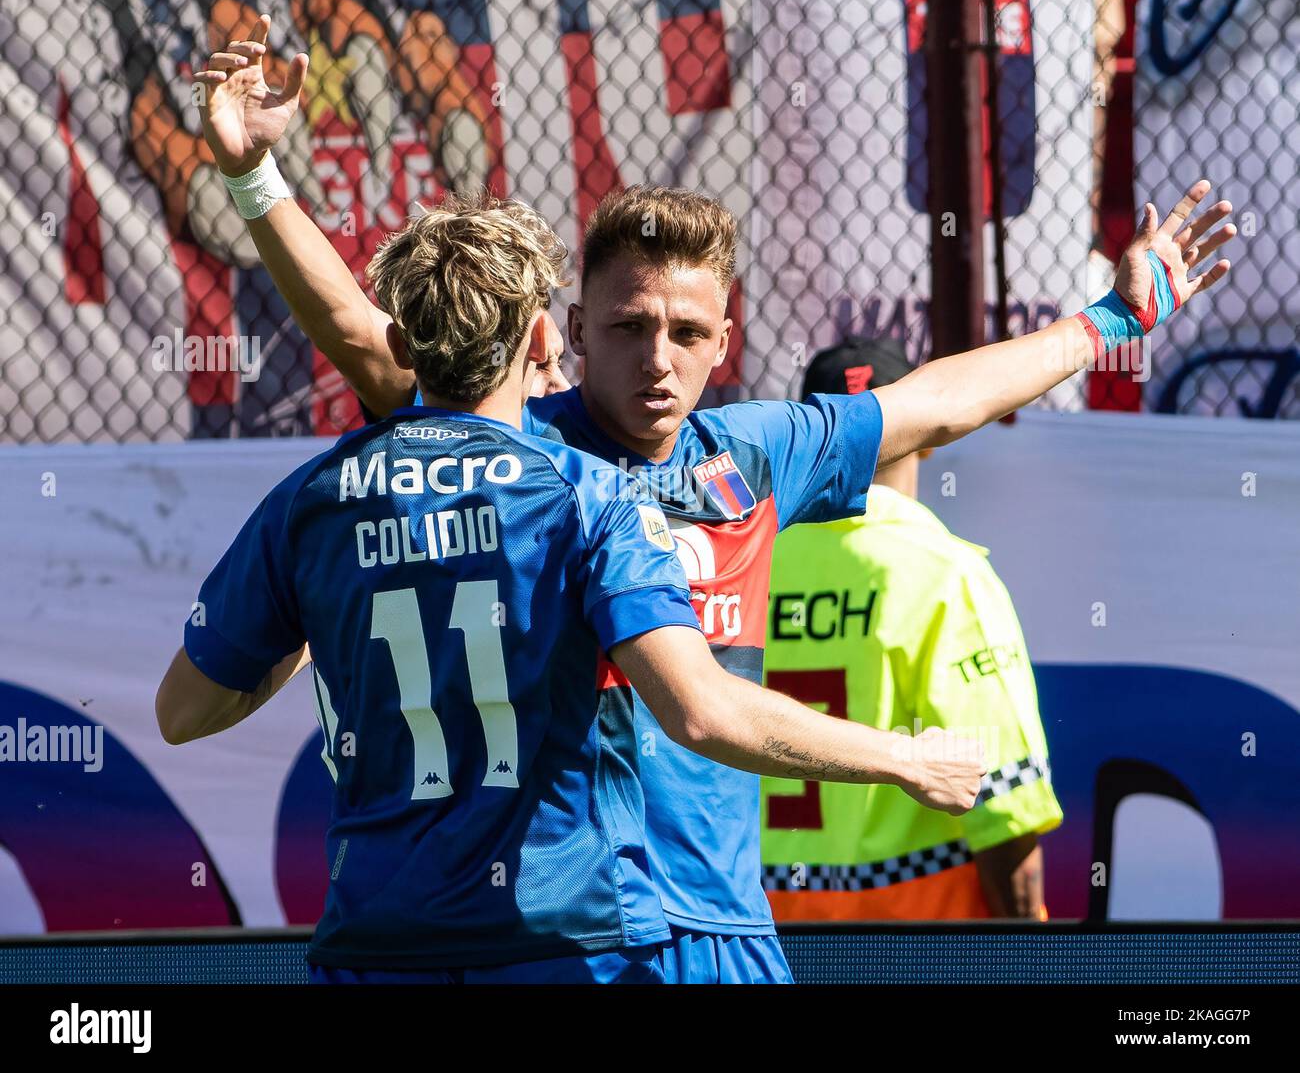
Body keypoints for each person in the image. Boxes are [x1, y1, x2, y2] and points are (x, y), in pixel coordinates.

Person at [194, 16, 1234, 982]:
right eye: (628, 325)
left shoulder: (754, 453)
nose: (657, 359)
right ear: (568, 328)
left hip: (722, 920)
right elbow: (370, 339)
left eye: (687, 334)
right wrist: (253, 177)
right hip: (572, 934)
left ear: (724, 343)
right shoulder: (524, 451)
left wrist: (1105, 322)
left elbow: (934, 406)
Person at [154, 192, 984, 984]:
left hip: (375, 932)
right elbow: (702, 709)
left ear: (405, 346)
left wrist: (318, 623)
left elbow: (182, 712)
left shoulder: (315, 504)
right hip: (560, 933)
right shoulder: (591, 495)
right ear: (547, 336)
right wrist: (907, 757)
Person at [761, 338, 1063, 920]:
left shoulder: (743, 570)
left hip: (757, 942)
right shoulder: (946, 574)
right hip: (915, 945)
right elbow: (1005, 804)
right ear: (926, 440)